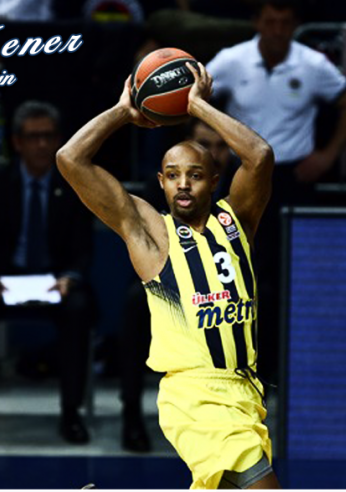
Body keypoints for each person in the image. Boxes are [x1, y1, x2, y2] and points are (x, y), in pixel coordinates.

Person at [57, 63, 280, 488]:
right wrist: (123, 112)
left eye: (195, 176)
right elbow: (70, 159)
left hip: (244, 391)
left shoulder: (238, 219)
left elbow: (260, 155)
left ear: (214, 181)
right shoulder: (152, 233)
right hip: (195, 396)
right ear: (160, 182)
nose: (183, 185)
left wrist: (197, 107)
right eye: (173, 175)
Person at [206, 0, 346, 382]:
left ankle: (285, 372)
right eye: (270, 22)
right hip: (242, 179)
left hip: (292, 180)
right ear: (257, 23)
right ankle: (238, 365)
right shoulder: (231, 60)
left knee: (292, 279)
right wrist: (209, 151)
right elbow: (194, 99)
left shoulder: (312, 64)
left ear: (294, 26)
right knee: (239, 274)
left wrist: (327, 156)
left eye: (284, 23)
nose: (277, 30)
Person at [0, 101, 96, 445]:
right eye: (33, 137)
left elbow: (83, 249)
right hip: (3, 279)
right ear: (17, 142)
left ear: (59, 140)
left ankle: (71, 413)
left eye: (48, 136)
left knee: (78, 309)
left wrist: (70, 277)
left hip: (56, 280)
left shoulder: (74, 184)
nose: (42, 144)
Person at [119, 119, 240, 453]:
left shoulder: (240, 191)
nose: (214, 152)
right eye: (205, 144)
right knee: (135, 301)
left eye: (221, 146)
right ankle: (131, 412)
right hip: (169, 284)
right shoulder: (163, 186)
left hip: (228, 289)